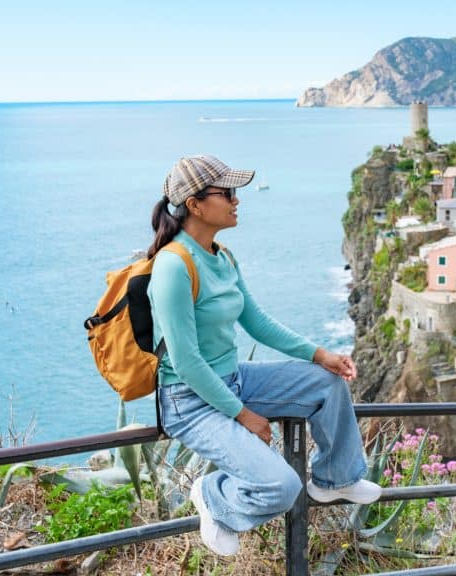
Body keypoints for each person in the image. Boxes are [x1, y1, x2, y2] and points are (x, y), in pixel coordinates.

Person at [146, 154, 381, 556]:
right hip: (189, 401)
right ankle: (214, 496)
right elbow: (185, 363)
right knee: (282, 486)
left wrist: (319, 354)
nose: (237, 200)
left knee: (327, 382)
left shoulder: (223, 256)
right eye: (228, 193)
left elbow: (256, 322)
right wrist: (243, 414)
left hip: (232, 379)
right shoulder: (172, 266)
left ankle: (335, 477)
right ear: (195, 205)